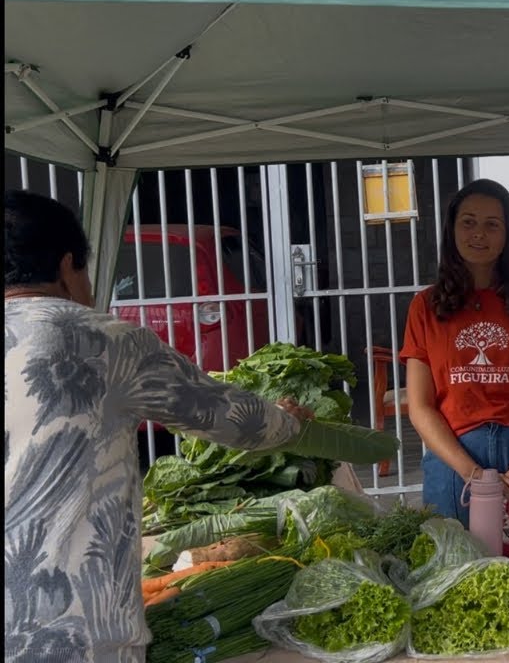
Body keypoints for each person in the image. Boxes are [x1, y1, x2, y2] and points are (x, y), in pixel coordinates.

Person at [3, 190, 393, 662]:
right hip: (78, 631)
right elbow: (228, 417)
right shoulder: (103, 340)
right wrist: (288, 423)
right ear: (68, 267)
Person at [400, 178, 509, 527]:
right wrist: (472, 473)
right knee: (460, 571)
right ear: (452, 229)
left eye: (492, 224)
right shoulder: (426, 306)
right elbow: (419, 405)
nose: (479, 233)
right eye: (468, 222)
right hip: (456, 464)